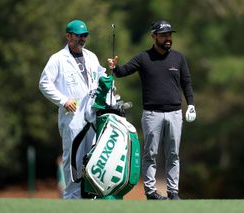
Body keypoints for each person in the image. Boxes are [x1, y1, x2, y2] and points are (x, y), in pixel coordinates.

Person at [107, 20, 196, 200]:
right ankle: (150, 191)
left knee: (173, 154)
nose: (168, 38)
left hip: (175, 113)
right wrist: (114, 67)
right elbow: (123, 71)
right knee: (151, 154)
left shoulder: (178, 58)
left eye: (169, 35)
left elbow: (186, 82)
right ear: (154, 36)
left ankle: (173, 192)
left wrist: (191, 104)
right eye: (163, 35)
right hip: (151, 114)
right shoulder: (143, 58)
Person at [39, 19, 106, 199]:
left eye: (85, 35)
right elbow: (44, 83)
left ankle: (90, 195)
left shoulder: (92, 56)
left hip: (91, 115)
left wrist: (109, 75)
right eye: (78, 35)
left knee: (92, 158)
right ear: (69, 36)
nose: (82, 39)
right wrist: (62, 100)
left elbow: (101, 76)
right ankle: (71, 197)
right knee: (73, 159)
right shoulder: (58, 59)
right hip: (72, 116)